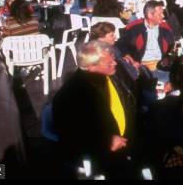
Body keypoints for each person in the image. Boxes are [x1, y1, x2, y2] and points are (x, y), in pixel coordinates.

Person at [52, 40, 139, 179]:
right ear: (91, 66)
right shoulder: (70, 95)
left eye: (114, 60)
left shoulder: (112, 74)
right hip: (100, 158)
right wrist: (105, 142)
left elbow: (131, 97)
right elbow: (71, 134)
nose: (115, 63)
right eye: (109, 63)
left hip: (128, 145)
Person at [116, 0, 175, 72]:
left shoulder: (165, 28)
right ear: (150, 15)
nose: (163, 16)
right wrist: (132, 61)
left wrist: (168, 59)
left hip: (162, 66)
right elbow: (120, 45)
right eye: (160, 14)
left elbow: (172, 46)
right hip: (142, 68)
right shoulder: (134, 27)